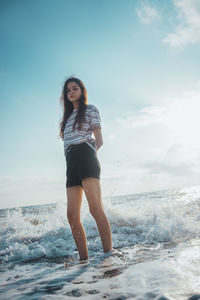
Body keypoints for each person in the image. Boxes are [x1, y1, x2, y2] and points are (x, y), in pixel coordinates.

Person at [59, 76, 112, 260]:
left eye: (74, 88)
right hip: (71, 163)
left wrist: (90, 156)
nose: (71, 92)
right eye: (68, 90)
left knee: (95, 209)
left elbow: (99, 140)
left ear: (82, 91)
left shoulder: (90, 110)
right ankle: (84, 261)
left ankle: (108, 256)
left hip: (87, 158)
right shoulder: (65, 118)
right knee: (72, 215)